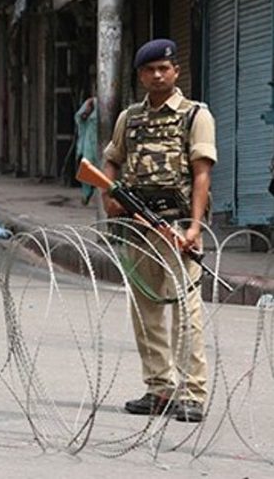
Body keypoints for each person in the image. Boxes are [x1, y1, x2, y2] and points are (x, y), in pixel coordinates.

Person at [102, 38, 215, 422]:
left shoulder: (195, 115)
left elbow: (202, 173)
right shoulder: (129, 118)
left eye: (163, 68)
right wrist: (109, 197)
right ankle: (159, 388)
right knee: (146, 307)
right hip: (138, 227)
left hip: (178, 225)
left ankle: (193, 393)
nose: (157, 75)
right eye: (149, 70)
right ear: (140, 76)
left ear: (176, 71)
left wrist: (195, 227)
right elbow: (112, 161)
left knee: (186, 309)